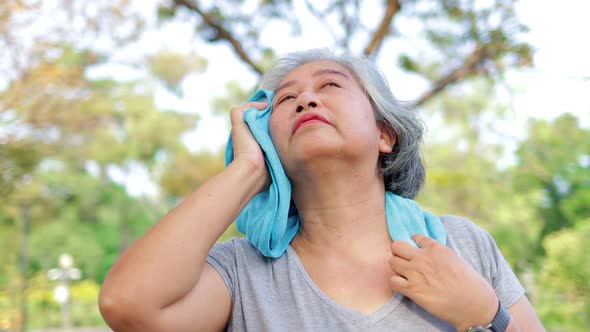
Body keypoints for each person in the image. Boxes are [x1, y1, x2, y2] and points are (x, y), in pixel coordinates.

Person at [98, 49, 545, 331]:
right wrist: (249, 169)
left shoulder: (463, 245)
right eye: (287, 100)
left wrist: (486, 315)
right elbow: (127, 305)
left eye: (330, 85)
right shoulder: (239, 273)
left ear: (384, 135)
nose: (307, 100)